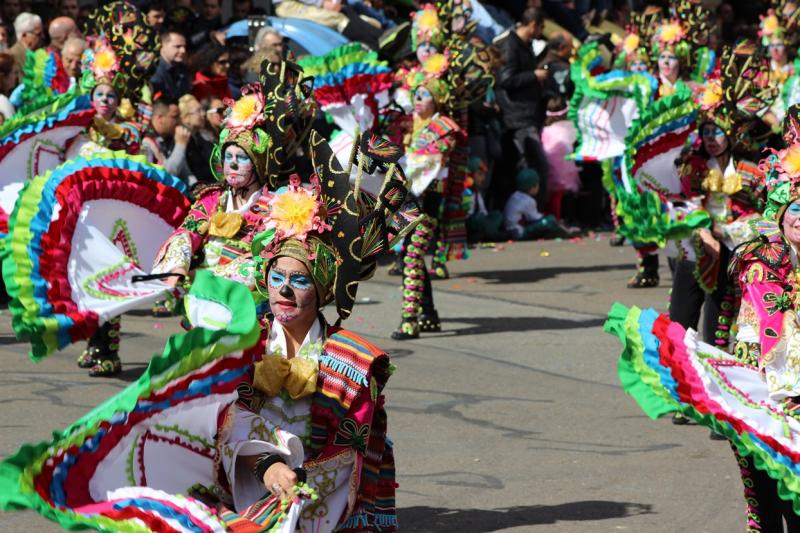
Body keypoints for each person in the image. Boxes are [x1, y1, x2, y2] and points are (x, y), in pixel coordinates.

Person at [495, 7, 549, 199]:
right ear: (533, 25)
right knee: (534, 168)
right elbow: (506, 80)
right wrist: (534, 75)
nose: (541, 33)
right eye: (541, 27)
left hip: (527, 114)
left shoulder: (524, 44)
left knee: (530, 167)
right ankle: (530, 217)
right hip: (517, 116)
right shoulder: (511, 45)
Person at [541, 96, 580, 221]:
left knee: (550, 196)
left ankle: (550, 218)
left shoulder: (545, 129)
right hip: (564, 167)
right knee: (558, 196)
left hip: (548, 165)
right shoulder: (569, 127)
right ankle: (557, 219)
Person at [504, 168, 570, 240]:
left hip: (509, 231)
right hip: (519, 233)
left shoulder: (514, 195)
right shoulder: (528, 201)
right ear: (532, 187)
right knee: (550, 220)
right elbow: (536, 219)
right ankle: (564, 232)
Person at [142, 99, 192, 183]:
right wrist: (181, 145)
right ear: (160, 118)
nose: (179, 121)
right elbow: (167, 174)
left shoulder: (170, 137)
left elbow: (186, 174)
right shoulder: (145, 142)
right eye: (175, 117)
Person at [178, 93, 216, 187]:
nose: (203, 114)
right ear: (185, 117)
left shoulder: (200, 137)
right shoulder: (181, 140)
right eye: (198, 111)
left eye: (202, 110)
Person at [150, 30, 191, 102]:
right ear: (162, 46)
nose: (183, 50)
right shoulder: (153, 70)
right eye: (177, 46)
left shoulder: (182, 69)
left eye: (184, 46)